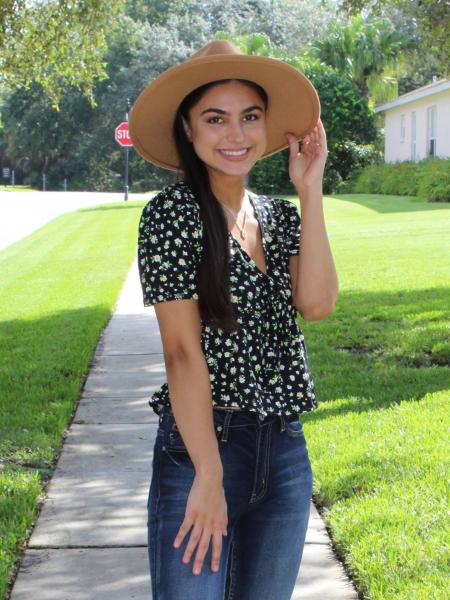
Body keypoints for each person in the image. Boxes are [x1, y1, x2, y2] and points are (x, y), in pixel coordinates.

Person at [129, 39, 338, 600]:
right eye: (215, 119)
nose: (236, 134)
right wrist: (209, 473)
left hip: (285, 449)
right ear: (189, 130)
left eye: (250, 117)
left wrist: (310, 191)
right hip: (202, 443)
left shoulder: (279, 215)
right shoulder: (172, 215)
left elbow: (317, 305)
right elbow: (181, 352)